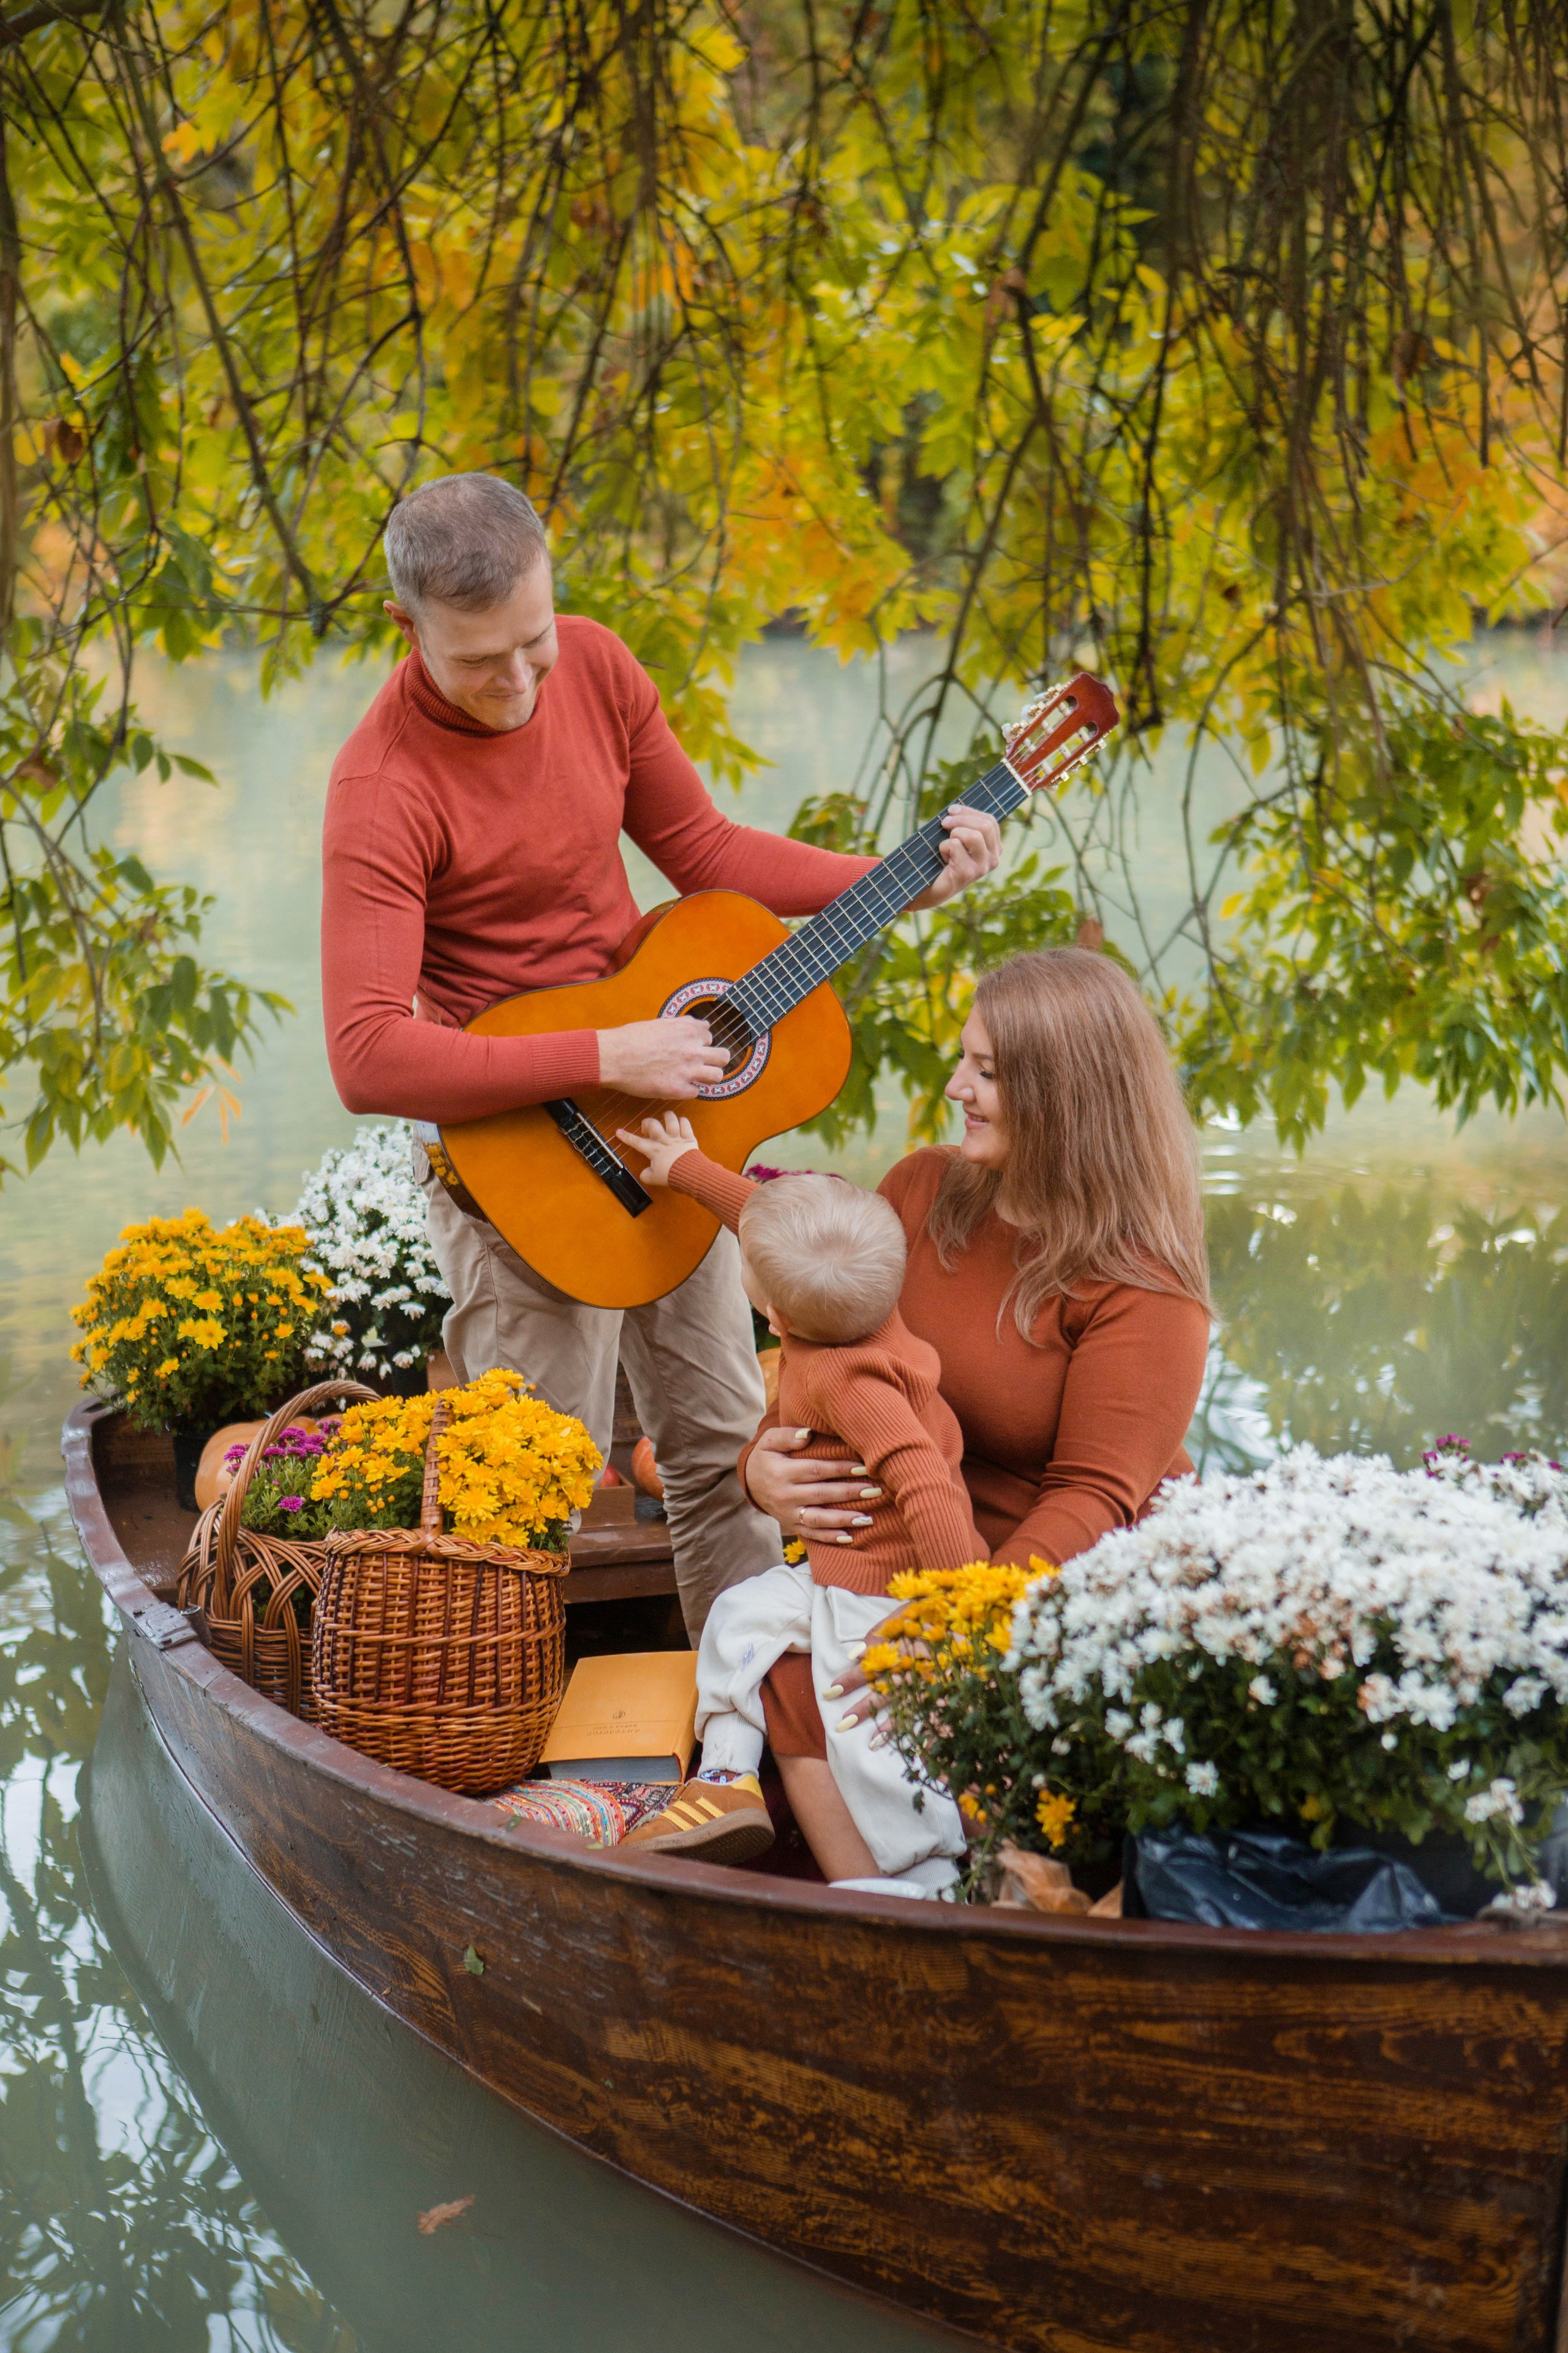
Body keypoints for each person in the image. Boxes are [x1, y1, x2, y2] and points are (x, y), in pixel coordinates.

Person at [318, 472, 1001, 1637]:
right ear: (408, 629)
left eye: (534, 639)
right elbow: (367, 1056)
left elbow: (703, 846)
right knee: (524, 1498)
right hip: (530, 1177)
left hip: (672, 1145)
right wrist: (606, 1053)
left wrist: (895, 882)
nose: (523, 683)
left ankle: (740, 1730)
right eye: (481, 661)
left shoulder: (595, 665)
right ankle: (506, 1782)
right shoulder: (381, 787)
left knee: (726, 1452)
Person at [733, 948, 1214, 1878]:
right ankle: (870, 1915)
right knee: (785, 1664)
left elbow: (1093, 1497)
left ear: (1066, 1092)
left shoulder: (1146, 1284)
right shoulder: (922, 1190)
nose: (957, 1085)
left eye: (988, 1072)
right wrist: (766, 1467)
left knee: (903, 1699)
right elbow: (826, 1347)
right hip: (905, 1550)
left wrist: (955, 1628)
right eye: (966, 1059)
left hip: (1052, 1579)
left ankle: (979, 1900)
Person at [612, 1139, 981, 1889]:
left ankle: (924, 1870)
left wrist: (955, 1609)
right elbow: (767, 1220)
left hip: (881, 1588)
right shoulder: (867, 1297)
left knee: (865, 1731)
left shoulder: (850, 1382)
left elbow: (928, 1486)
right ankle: (724, 1778)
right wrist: (684, 1166)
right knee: (739, 1613)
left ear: (774, 1319)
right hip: (828, 1565)